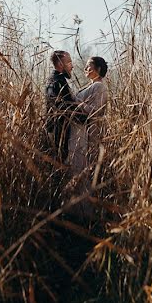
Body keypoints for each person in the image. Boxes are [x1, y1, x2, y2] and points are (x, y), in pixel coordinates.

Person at [67, 56, 109, 221]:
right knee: (78, 170)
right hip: (81, 133)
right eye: (85, 67)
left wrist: (76, 103)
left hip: (91, 134)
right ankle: (77, 212)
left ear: (98, 69)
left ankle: (87, 216)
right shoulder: (91, 85)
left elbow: (95, 111)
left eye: (89, 67)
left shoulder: (99, 87)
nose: (85, 69)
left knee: (86, 172)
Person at [44, 50, 76, 163]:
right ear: (60, 64)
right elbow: (64, 107)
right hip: (58, 131)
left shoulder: (58, 79)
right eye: (69, 62)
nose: (72, 66)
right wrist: (87, 119)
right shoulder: (56, 81)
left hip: (58, 129)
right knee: (59, 163)